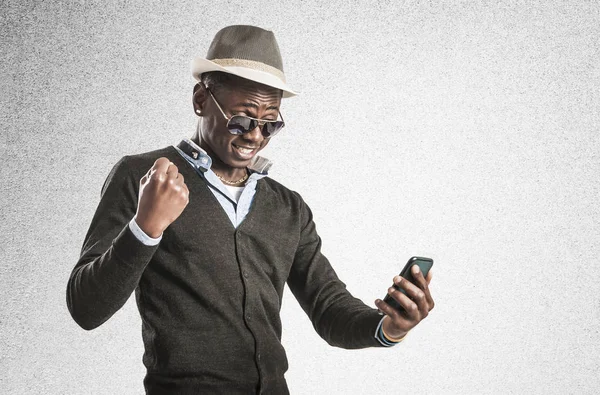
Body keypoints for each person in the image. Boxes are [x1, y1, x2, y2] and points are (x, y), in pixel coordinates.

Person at [66, 25, 435, 394]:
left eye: (270, 123)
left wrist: (389, 327)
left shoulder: (287, 207)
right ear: (200, 99)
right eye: (241, 119)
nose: (255, 136)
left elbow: (329, 307)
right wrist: (145, 229)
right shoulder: (143, 176)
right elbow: (86, 308)